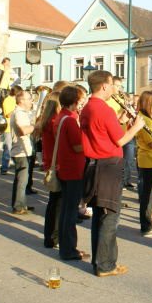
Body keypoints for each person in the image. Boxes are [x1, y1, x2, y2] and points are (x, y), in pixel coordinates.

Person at [80, 70, 145, 276]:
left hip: (95, 163)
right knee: (110, 216)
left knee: (100, 214)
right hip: (108, 165)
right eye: (113, 85)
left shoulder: (89, 107)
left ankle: (99, 261)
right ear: (105, 86)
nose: (115, 89)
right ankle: (106, 265)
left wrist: (119, 120)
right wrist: (136, 127)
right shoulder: (104, 109)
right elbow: (120, 141)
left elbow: (102, 132)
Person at [55, 86, 90, 262]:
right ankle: (69, 249)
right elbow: (77, 146)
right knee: (70, 212)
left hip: (66, 168)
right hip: (73, 169)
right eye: (81, 99)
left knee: (66, 210)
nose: (82, 102)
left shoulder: (62, 117)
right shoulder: (69, 120)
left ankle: (66, 246)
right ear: (75, 101)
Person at [37, 90, 62, 247]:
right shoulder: (54, 121)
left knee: (54, 202)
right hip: (57, 164)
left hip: (50, 163)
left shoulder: (47, 120)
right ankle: (54, 237)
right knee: (58, 204)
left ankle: (50, 236)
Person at [136, 90, 152, 236]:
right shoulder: (144, 119)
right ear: (148, 103)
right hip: (148, 160)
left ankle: (148, 222)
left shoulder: (150, 118)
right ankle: (146, 225)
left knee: (150, 192)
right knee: (147, 194)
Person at [9, 89, 35, 215]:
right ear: (21, 100)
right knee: (22, 180)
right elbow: (23, 130)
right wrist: (36, 126)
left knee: (22, 179)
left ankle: (21, 203)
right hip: (20, 150)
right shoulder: (19, 113)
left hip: (23, 149)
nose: (31, 100)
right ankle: (18, 206)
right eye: (29, 98)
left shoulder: (22, 112)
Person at [0, 84, 19, 175]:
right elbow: (8, 114)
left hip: (16, 127)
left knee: (15, 148)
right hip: (8, 128)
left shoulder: (15, 100)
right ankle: (4, 168)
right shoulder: (7, 100)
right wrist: (17, 108)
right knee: (8, 149)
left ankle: (18, 167)